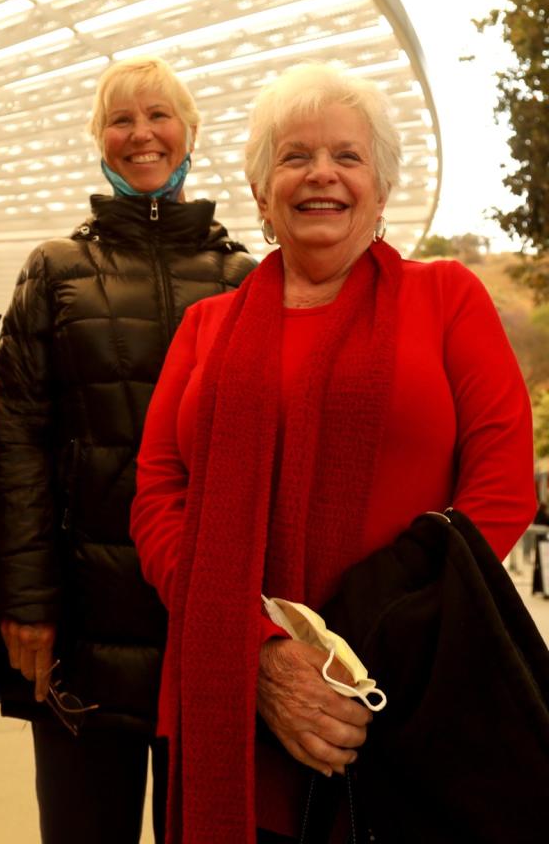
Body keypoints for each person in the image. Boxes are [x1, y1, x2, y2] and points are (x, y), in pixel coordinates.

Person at [130, 62, 537, 843]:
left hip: (409, 696)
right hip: (233, 699)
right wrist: (258, 655)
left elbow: (501, 491)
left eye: (348, 157)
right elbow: (158, 500)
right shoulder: (206, 330)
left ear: (381, 189)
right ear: (260, 191)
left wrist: (358, 653)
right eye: (294, 157)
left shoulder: (447, 299)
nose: (322, 175)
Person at [0, 55, 256, 844]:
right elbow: (19, 444)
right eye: (121, 118)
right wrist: (27, 603)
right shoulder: (57, 271)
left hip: (204, 623)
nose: (141, 134)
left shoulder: (244, 279)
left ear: (191, 134)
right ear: (99, 141)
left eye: (159, 115)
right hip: (80, 624)